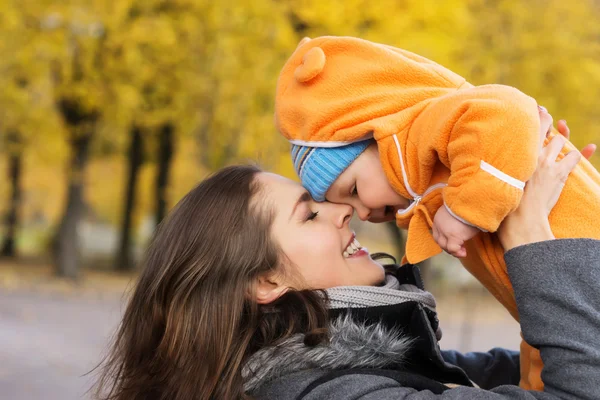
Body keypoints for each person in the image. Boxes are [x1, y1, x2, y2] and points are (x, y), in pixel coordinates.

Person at [92, 127, 600, 399]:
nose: (342, 211)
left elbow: (494, 375)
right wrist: (532, 243)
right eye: (309, 214)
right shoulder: (322, 391)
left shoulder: (342, 364)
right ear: (265, 280)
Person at [274, 35, 600, 389]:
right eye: (348, 206)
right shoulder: (441, 180)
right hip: (562, 306)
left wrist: (465, 212)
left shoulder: (430, 129)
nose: (361, 214)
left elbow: (508, 110)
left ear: (381, 138)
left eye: (353, 191)